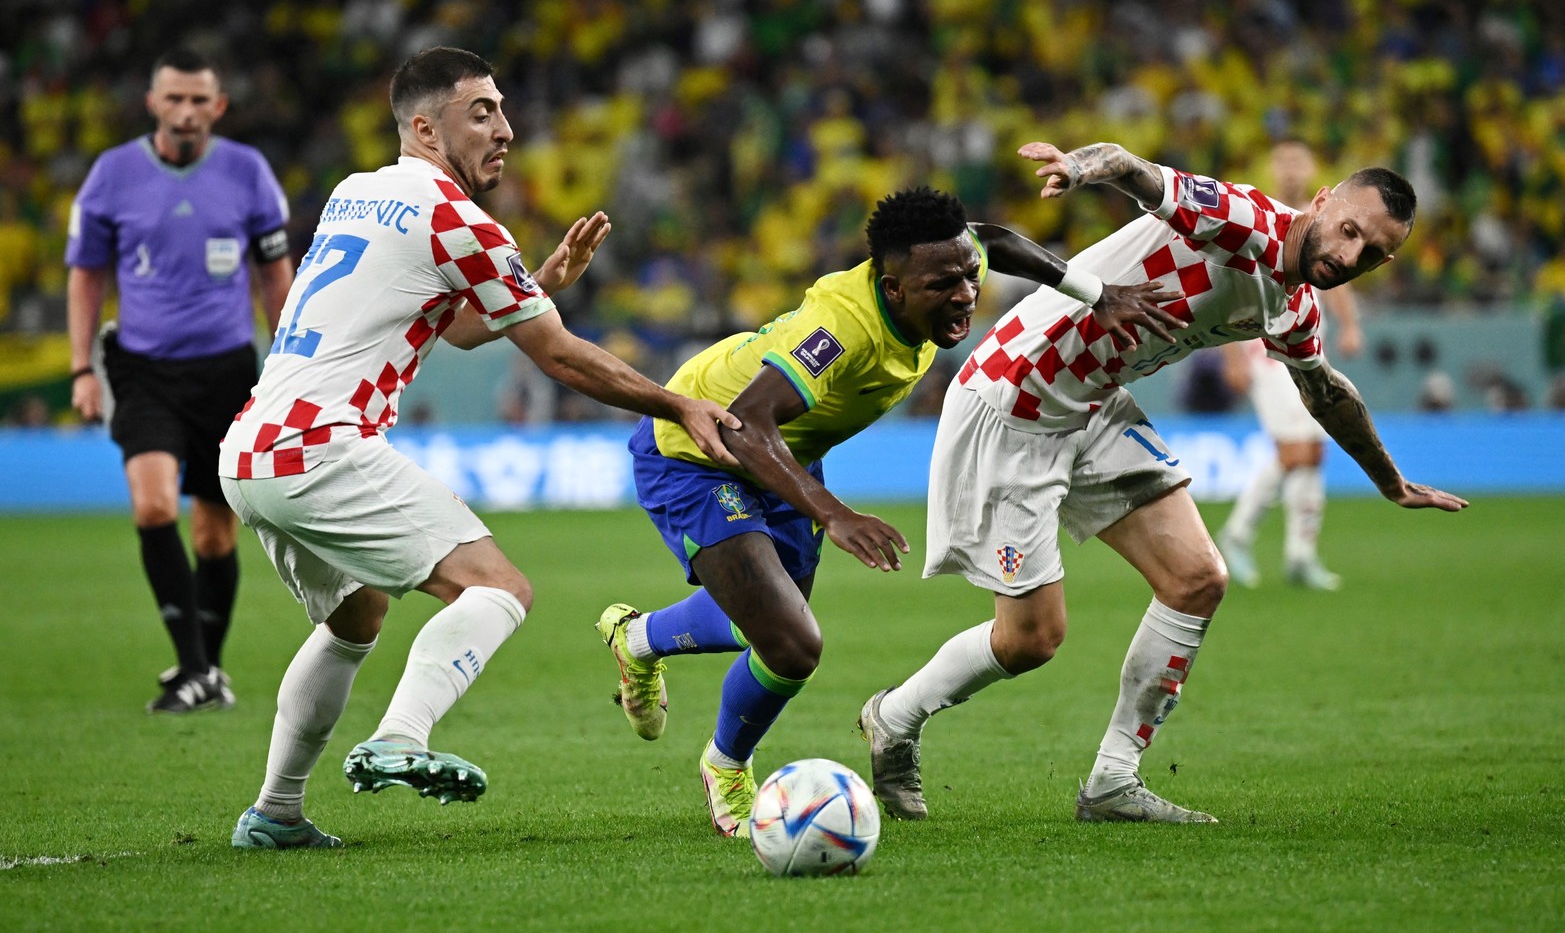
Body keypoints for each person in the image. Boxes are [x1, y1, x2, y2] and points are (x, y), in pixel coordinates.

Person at [857, 140, 1469, 827]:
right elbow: (1133, 169)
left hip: (1092, 405)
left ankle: (1112, 782)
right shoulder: (1240, 220)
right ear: (1321, 201)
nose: (1349, 256)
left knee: (1196, 577)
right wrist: (1079, 168)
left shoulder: (1293, 305)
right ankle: (892, 715)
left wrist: (1389, 482)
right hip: (1017, 398)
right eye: (1349, 231)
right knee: (1031, 638)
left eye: (1372, 254)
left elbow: (1326, 392)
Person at [220, 47, 742, 850]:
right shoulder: (456, 218)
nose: (505, 128)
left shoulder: (356, 193)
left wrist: (536, 283)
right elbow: (560, 356)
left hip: (253, 449)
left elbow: (453, 327)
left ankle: (276, 813)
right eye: (481, 112)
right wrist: (676, 400)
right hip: (322, 444)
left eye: (501, 108)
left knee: (357, 613)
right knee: (497, 587)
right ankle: (399, 736)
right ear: (425, 127)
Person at [595, 185, 1185, 837]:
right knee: (790, 643)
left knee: (766, 627)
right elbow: (747, 423)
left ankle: (639, 637)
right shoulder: (841, 330)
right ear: (893, 286)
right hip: (700, 448)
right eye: (942, 283)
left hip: (785, 451)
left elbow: (995, 240)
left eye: (967, 276)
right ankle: (726, 766)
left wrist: (1097, 293)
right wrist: (833, 514)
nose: (964, 293)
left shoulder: (947, 261)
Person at [65, 48, 295, 714]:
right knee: (154, 505)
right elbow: (85, 276)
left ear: (218, 107)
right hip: (142, 368)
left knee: (215, 535)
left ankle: (207, 671)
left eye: (200, 99)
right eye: (175, 99)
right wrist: (82, 367)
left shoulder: (248, 172)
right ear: (153, 103)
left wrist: (287, 355)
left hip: (226, 370)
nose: (187, 111)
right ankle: (194, 667)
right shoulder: (111, 176)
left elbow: (274, 273)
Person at [1216, 139, 1364, 592]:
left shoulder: (1325, 222)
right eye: (1284, 160)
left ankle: (1301, 555)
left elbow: (1336, 281)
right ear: (1271, 165)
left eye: (1300, 160)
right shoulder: (1260, 214)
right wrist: (1232, 354)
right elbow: (1228, 285)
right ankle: (1236, 536)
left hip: (1306, 349)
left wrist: (1348, 325)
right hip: (1264, 353)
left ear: (1314, 167)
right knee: (1294, 452)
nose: (1292, 168)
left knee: (1314, 453)